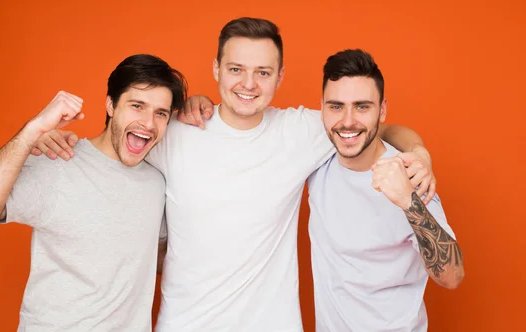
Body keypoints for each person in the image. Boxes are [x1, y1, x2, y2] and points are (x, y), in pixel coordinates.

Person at [35, 18, 436, 331]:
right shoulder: (174, 132)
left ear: (280, 77)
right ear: (216, 69)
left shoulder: (303, 131)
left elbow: (374, 128)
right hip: (184, 326)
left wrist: (418, 152)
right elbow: (114, 147)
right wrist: (55, 140)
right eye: (236, 69)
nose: (248, 83)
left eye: (263, 72)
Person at [0, 54, 187, 331]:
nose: (149, 123)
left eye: (160, 113)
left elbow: (159, 255)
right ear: (111, 105)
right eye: (137, 106)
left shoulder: (157, 182)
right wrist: (33, 130)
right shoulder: (59, 160)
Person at [308, 49, 464, 331]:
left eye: (362, 106)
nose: (347, 120)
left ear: (382, 109)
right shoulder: (318, 154)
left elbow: (452, 277)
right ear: (322, 108)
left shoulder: (410, 174)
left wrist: (408, 202)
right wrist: (199, 103)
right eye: (336, 106)